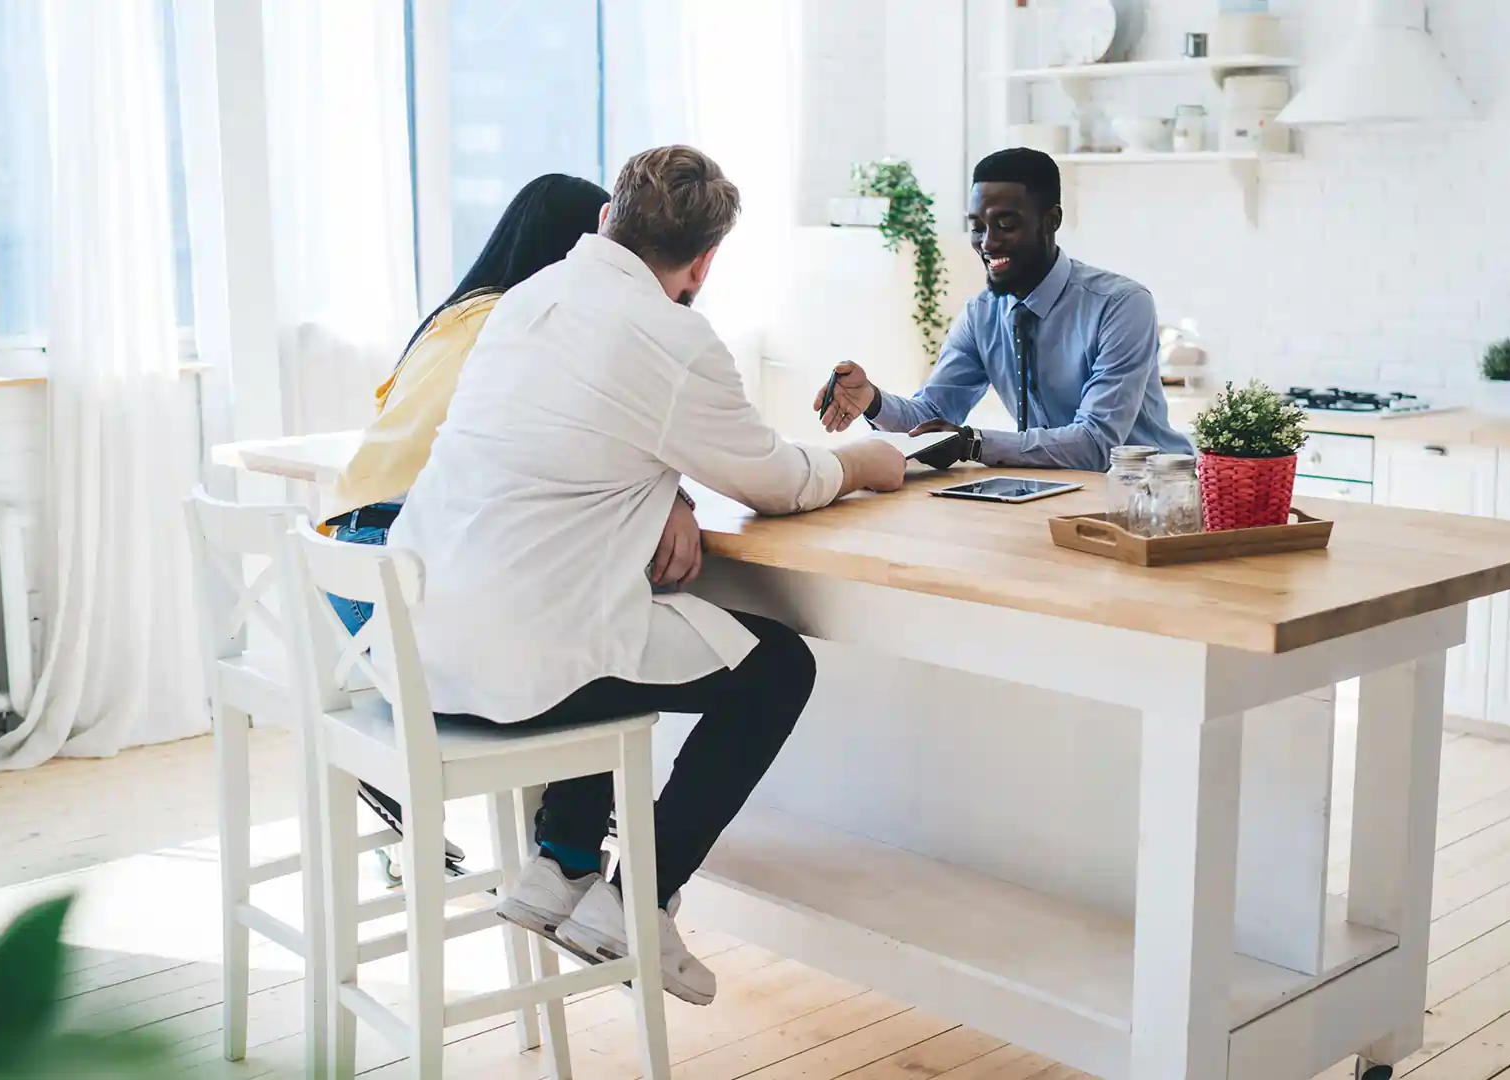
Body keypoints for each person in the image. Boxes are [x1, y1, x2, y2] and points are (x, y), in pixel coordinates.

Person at [389, 145, 907, 1006]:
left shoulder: (524, 301)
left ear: (606, 221)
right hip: (518, 663)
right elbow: (777, 481)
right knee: (778, 668)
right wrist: (864, 462)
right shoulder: (674, 337)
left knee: (637, 616)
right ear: (703, 262)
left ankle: (559, 872)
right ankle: (637, 903)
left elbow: (576, 443)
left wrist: (660, 487)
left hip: (424, 642)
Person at [316, 173, 613, 881]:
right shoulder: (520, 326)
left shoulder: (453, 316)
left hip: (345, 573)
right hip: (398, 576)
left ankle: (400, 769)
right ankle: (570, 844)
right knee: (591, 625)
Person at [813, 147, 1192, 470]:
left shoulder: (1120, 306)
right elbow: (930, 413)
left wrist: (972, 444)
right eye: (978, 227)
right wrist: (873, 400)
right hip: (1053, 493)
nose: (987, 243)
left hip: (1149, 497)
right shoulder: (982, 315)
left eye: (1006, 225)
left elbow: (1096, 445)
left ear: (1051, 221)